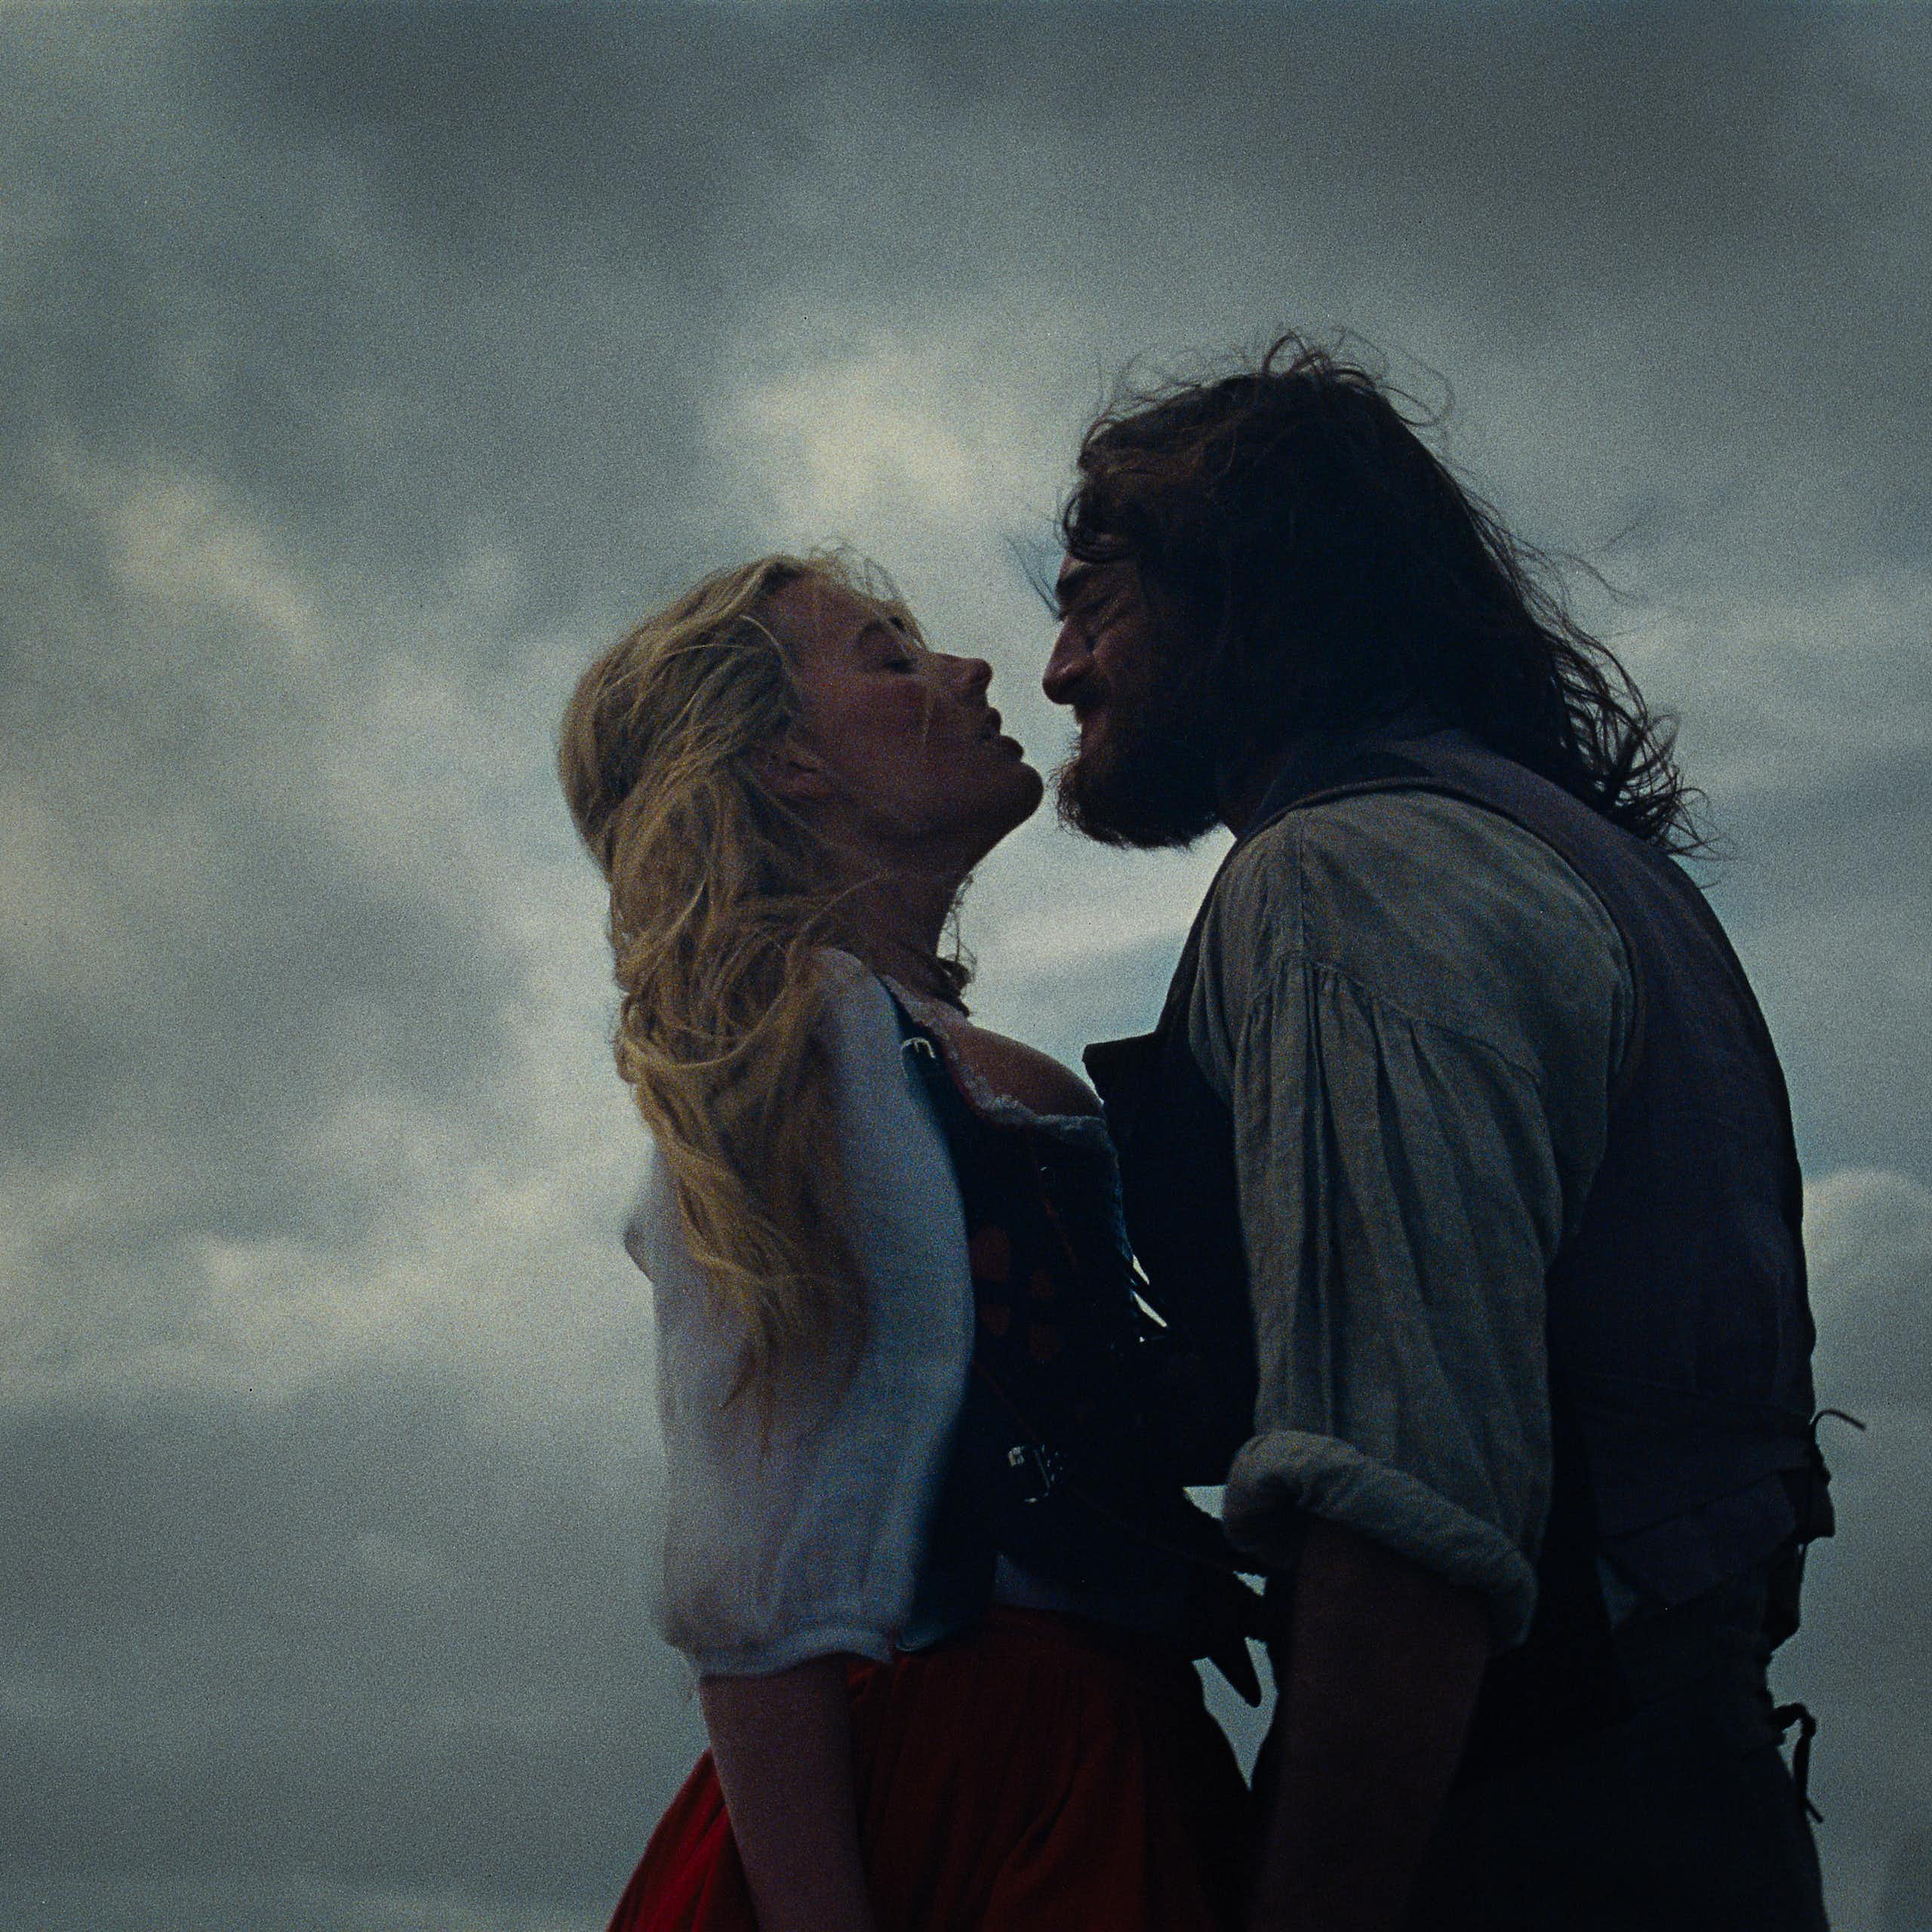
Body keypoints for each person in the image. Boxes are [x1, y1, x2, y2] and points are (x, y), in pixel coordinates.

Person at [1041, 337, 1835, 1932]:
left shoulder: (1347, 881)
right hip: (1676, 1799)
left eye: (1091, 595)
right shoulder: (1577, 860)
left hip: (1525, 1832)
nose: (1059, 670)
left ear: (1244, 592)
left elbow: (1405, 1510)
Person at [558, 552, 1252, 1932]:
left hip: (1100, 1741)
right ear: (790, 769)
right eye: (891, 657)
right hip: (963, 1776)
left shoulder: (930, 1061)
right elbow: (756, 1569)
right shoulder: (806, 1050)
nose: (974, 672)